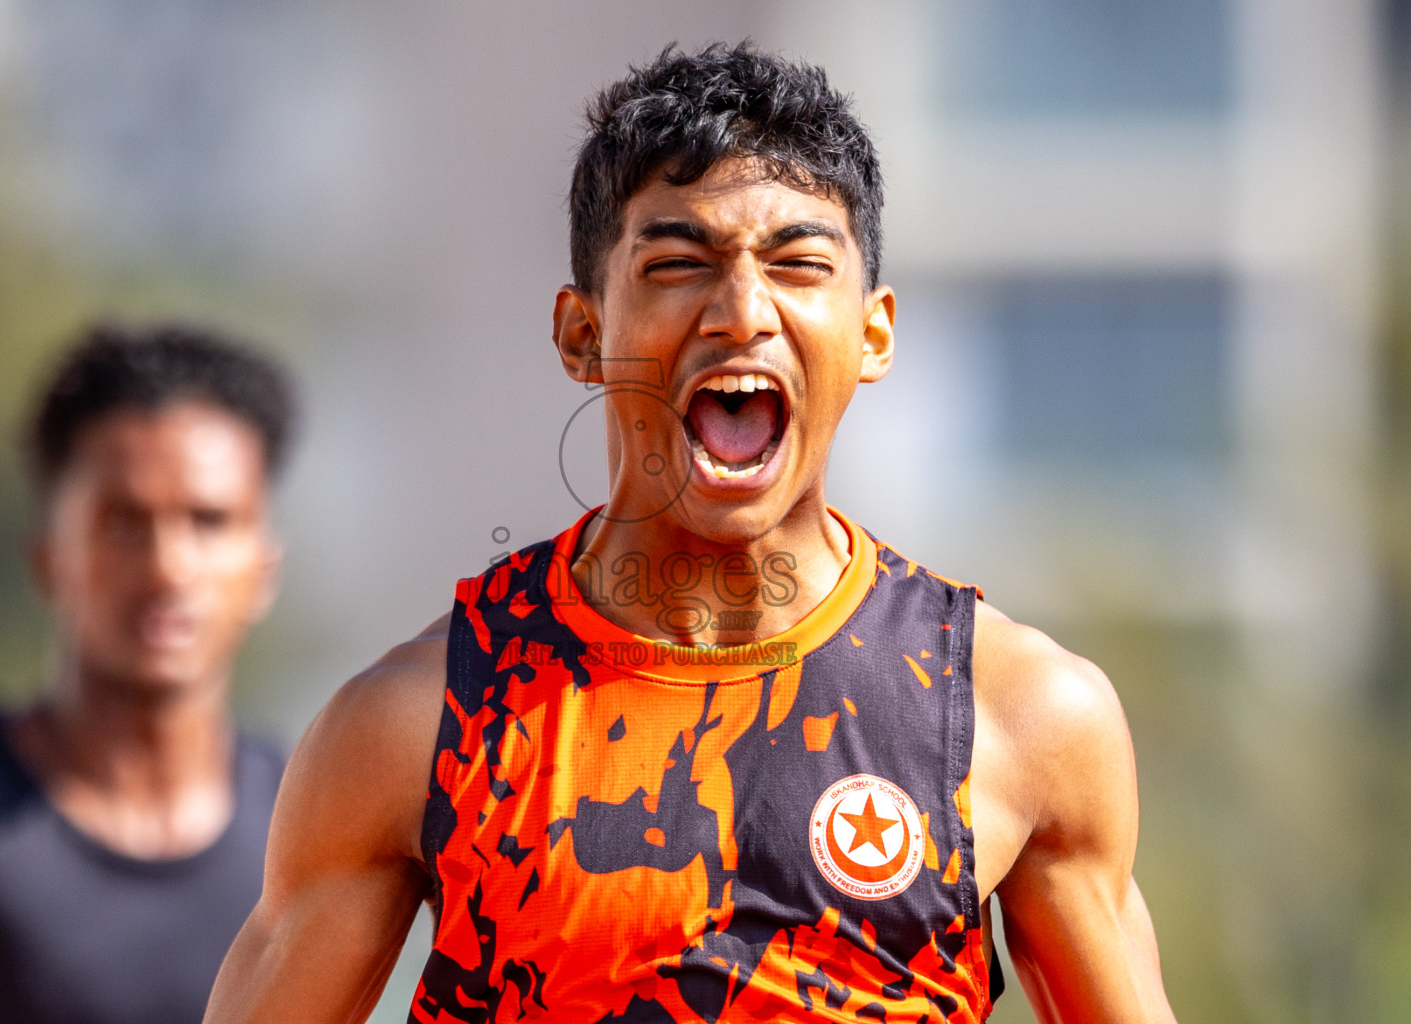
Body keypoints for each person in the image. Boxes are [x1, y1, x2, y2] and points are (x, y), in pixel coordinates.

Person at [205, 43, 1177, 1023]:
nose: (741, 313)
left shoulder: (1018, 715)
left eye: (797, 265)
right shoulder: (419, 724)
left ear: (873, 332)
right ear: (583, 335)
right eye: (678, 265)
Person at [0, 324, 297, 1023]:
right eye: (124, 523)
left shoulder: (308, 829)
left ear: (264, 569)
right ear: (48, 556)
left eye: (209, 521)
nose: (168, 568)